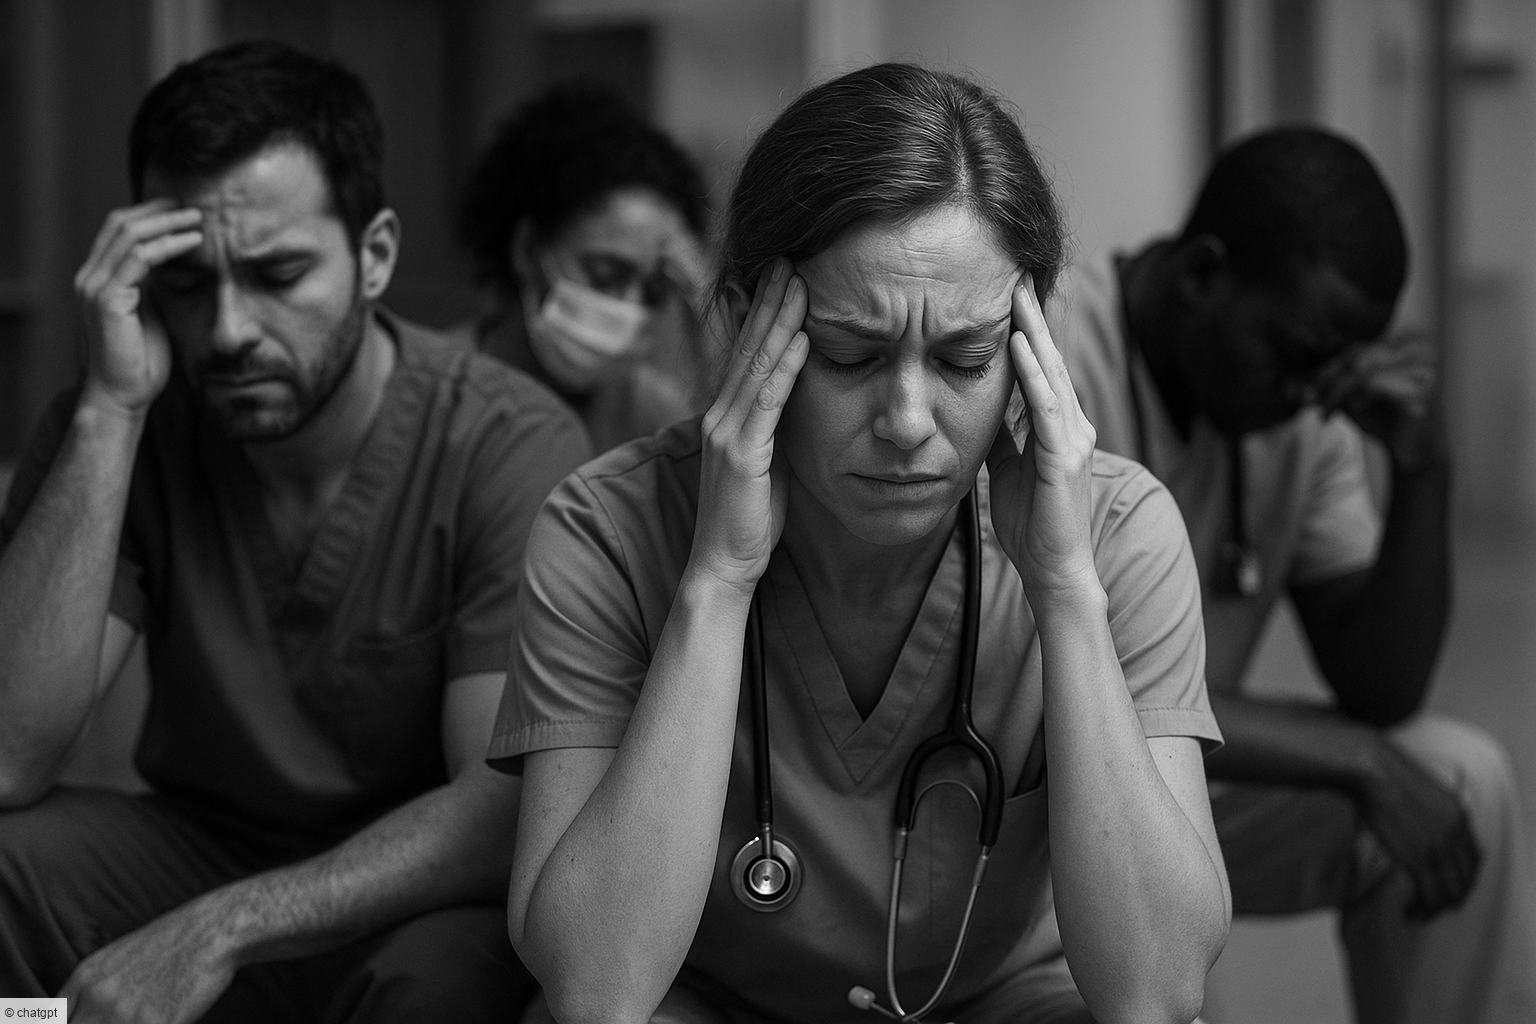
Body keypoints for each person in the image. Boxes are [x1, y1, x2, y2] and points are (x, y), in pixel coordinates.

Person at [491, 63, 1230, 1024]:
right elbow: (595, 989)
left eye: (966, 359)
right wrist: (717, 579)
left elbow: (1159, 994)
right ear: (749, 321)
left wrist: (1063, 591)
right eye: (850, 355)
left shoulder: (1119, 535)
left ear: (1031, 342)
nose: (909, 420)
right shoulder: (607, 530)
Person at [0, 41, 590, 1020]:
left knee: (451, 975)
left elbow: (500, 811)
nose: (228, 329)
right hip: (196, 848)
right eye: (187, 282)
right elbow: (9, 760)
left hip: (410, 892)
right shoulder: (126, 419)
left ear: (376, 256)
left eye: (278, 274)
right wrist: (110, 409)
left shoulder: (504, 443)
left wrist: (223, 926)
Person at [1055, 126, 1536, 1024]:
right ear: (1204, 275)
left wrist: (1426, 467)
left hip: (1188, 772)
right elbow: (1060, 684)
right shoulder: (1055, 356)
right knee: (1387, 775)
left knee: (1461, 783)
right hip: (1043, 785)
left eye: (1338, 369)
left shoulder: (1300, 420)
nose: (1319, 393)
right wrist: (1358, 762)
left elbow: (1382, 683)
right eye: (1301, 354)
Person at [456, 81, 710, 454]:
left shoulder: (653, 417)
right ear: (527, 251)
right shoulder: (434, 399)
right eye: (607, 276)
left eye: (655, 289)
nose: (630, 308)